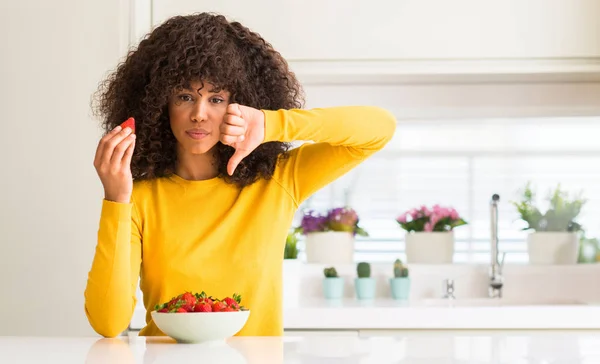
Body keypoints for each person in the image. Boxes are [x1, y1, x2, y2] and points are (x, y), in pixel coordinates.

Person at [84, 12, 396, 338]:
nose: (199, 114)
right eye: (185, 96)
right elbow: (108, 322)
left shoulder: (278, 180)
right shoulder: (138, 196)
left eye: (216, 99)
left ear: (240, 104)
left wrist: (271, 124)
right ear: (161, 104)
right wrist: (116, 200)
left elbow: (379, 128)